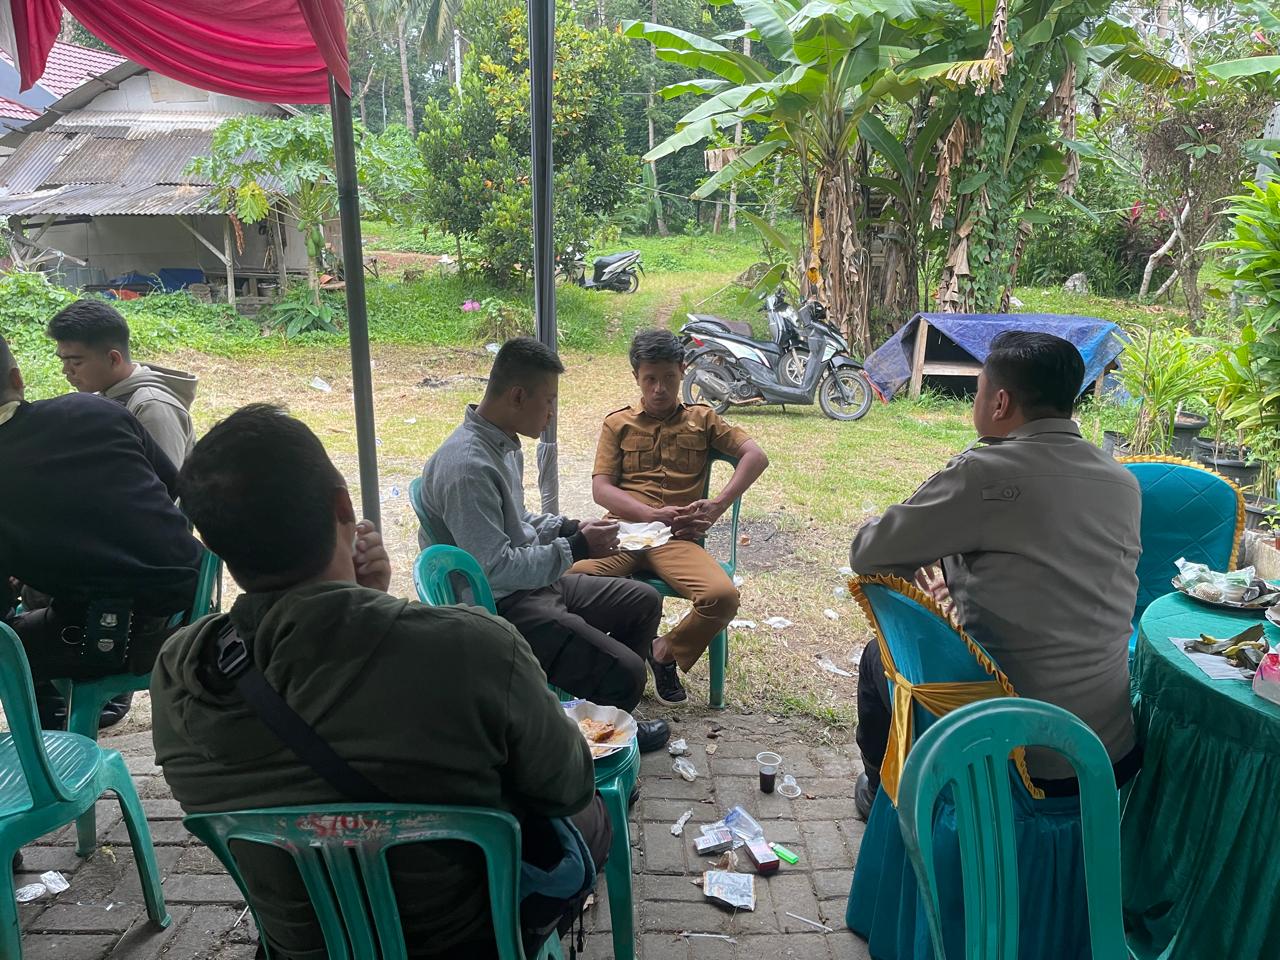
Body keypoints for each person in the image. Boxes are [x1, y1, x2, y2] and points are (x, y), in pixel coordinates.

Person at [152, 404, 611, 960]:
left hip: (305, 947)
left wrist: (361, 601)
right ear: (343, 507)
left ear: (213, 542)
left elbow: (313, 706)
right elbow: (565, 786)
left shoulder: (179, 672)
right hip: (464, 939)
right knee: (590, 812)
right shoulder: (476, 647)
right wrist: (364, 603)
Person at [848, 331, 1142, 818]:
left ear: (1000, 402)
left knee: (875, 659)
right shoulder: (1123, 482)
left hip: (1017, 751)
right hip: (1107, 752)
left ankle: (882, 792)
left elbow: (869, 553)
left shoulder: (986, 472)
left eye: (979, 391)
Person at [418, 337, 671, 752]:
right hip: (501, 607)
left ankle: (601, 719)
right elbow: (495, 568)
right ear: (518, 396)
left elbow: (517, 520)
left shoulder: (501, 445)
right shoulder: (467, 467)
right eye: (548, 400)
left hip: (532, 586)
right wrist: (576, 548)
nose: (552, 412)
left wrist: (570, 527)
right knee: (628, 673)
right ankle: (586, 744)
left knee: (643, 601)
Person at [0, 335, 201, 729]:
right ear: (18, 379)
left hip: (113, 629)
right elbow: (174, 486)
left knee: (12, 648)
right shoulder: (95, 407)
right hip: (192, 597)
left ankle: (59, 741)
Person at [573, 329, 769, 705]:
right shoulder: (618, 424)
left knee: (722, 597)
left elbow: (755, 456)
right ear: (636, 377)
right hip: (621, 532)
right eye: (650, 379)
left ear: (682, 371)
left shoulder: (703, 419)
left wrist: (718, 504)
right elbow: (602, 489)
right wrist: (650, 513)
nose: (659, 388)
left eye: (668, 377)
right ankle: (606, 659)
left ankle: (662, 652)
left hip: (676, 540)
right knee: (567, 579)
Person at [48, 299, 198, 467]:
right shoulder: (104, 394)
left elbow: (164, 480)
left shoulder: (153, 407)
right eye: (63, 361)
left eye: (76, 362)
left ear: (113, 359)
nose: (66, 370)